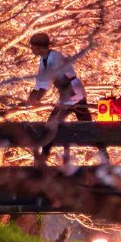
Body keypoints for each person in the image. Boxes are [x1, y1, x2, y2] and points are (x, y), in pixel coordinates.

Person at [25, 32, 93, 162]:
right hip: (67, 94)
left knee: (52, 125)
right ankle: (44, 156)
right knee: (86, 125)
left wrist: (36, 98)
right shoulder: (44, 59)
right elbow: (40, 81)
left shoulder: (55, 57)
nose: (31, 49)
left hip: (72, 92)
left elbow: (47, 82)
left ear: (39, 47)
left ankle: (43, 158)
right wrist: (31, 97)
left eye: (33, 46)